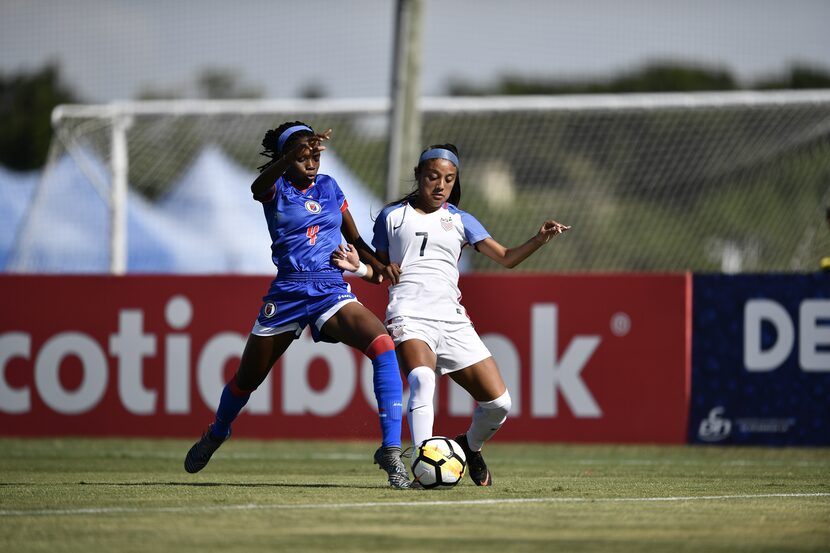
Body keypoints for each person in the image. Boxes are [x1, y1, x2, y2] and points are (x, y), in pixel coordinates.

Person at [184, 122, 410, 489]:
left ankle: (390, 450)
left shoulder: (331, 188)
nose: (311, 162)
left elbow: (355, 238)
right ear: (287, 157)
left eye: (315, 154)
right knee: (247, 380)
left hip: (328, 288)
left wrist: (379, 265)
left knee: (382, 345)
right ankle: (218, 432)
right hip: (287, 292)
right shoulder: (275, 188)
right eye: (303, 155)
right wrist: (291, 152)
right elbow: (257, 187)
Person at [332, 143, 570, 487]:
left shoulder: (460, 219)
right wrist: (359, 268)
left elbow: (505, 257)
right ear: (418, 176)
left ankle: (469, 447)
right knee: (421, 380)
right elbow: (382, 273)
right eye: (433, 176)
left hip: (452, 319)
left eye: (448, 178)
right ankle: (421, 469)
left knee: (500, 404)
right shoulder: (392, 217)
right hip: (409, 314)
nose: (440, 185)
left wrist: (539, 239)